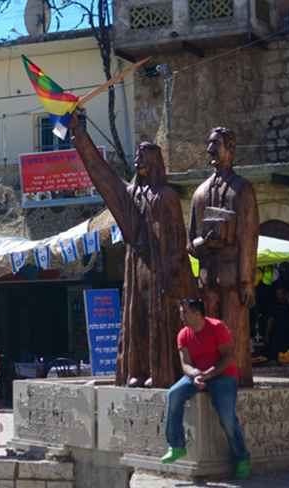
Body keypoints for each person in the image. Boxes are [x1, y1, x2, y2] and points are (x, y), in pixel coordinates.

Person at [72, 113, 196, 388]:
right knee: (137, 318)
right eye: (137, 156)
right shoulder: (133, 195)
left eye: (143, 157)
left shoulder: (166, 197)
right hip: (137, 266)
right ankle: (136, 370)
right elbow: (105, 178)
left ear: (154, 163)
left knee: (158, 319)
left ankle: (159, 371)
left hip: (161, 270)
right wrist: (81, 138)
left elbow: (176, 240)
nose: (137, 160)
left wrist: (170, 274)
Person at [188, 127, 259, 387]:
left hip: (232, 277)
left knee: (233, 332)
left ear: (230, 149)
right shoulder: (199, 193)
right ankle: (207, 376)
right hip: (208, 278)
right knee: (207, 335)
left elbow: (249, 238)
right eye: (208, 144)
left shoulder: (242, 190)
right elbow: (190, 244)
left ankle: (236, 377)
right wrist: (203, 242)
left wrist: (246, 280)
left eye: (215, 144)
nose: (210, 150)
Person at [162, 298, 251, 480]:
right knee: (174, 394)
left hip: (223, 375)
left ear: (197, 313)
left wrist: (209, 374)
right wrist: (195, 374)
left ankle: (242, 458)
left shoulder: (217, 327)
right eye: (180, 312)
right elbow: (185, 363)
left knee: (227, 417)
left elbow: (228, 357)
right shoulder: (183, 334)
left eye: (184, 312)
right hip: (197, 375)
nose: (181, 316)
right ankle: (177, 445)